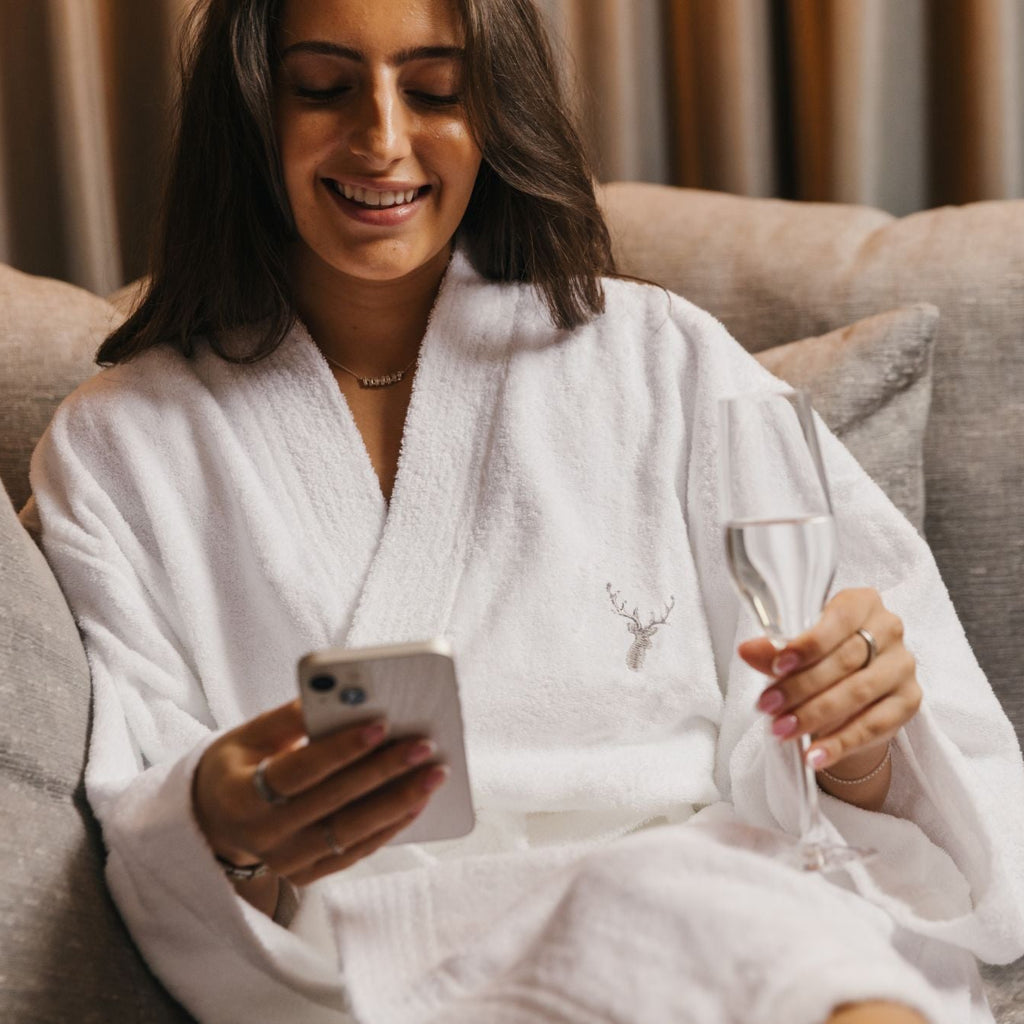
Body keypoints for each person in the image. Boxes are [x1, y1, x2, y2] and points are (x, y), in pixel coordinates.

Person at [26, 0, 1024, 1021]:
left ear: (494, 110)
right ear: (249, 112)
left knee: (700, 910)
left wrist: (855, 740)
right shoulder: (122, 446)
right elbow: (144, 814)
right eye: (321, 88)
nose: (382, 138)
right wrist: (222, 823)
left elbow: (878, 753)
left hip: (722, 904)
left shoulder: (660, 359)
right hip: (388, 963)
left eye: (435, 90)